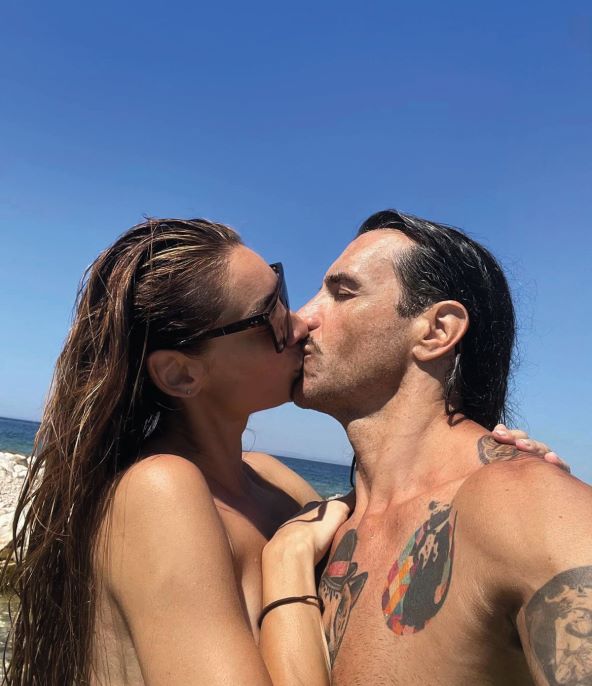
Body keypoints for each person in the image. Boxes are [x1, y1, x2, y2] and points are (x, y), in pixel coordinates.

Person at [2, 216, 556, 686]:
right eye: (267, 316)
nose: (299, 323)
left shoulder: (274, 483)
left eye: (282, 293)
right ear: (181, 374)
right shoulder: (160, 489)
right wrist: (286, 563)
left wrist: (490, 472)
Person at [289, 209, 591, 685]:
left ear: (436, 331)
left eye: (342, 293)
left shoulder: (524, 502)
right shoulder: (322, 527)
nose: (301, 319)